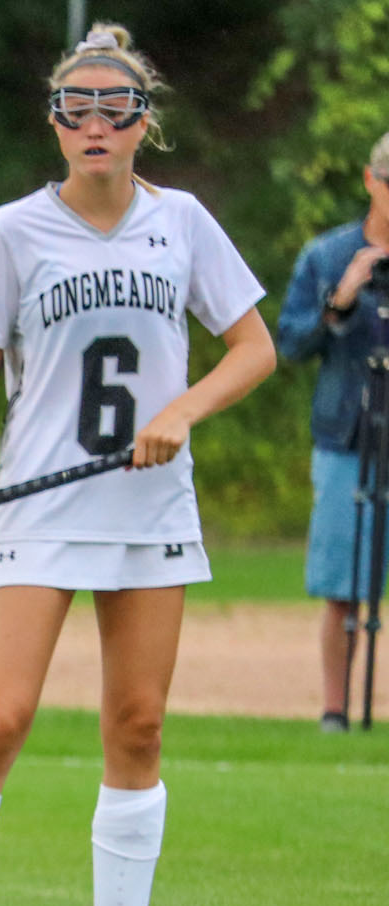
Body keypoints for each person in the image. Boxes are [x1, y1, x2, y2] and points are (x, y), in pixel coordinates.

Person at [0, 24, 275, 906]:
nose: (94, 123)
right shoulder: (12, 231)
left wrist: (181, 410)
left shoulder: (182, 223)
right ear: (53, 125)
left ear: (143, 124)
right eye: (75, 108)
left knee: (135, 726)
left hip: (148, 506)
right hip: (37, 509)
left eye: (113, 106)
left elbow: (251, 347)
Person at [275, 130, 389, 733]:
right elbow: (289, 341)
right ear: (372, 182)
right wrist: (342, 298)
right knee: (342, 584)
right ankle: (335, 711)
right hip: (348, 433)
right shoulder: (328, 254)